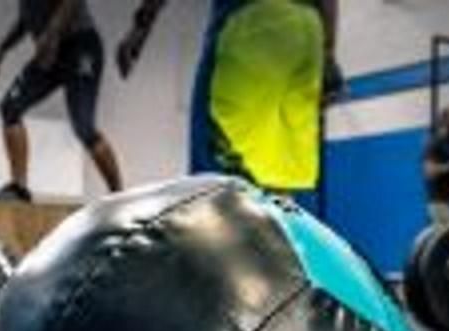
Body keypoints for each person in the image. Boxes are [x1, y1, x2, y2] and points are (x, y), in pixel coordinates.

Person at [117, 0, 339, 214]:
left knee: (215, 182)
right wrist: (328, 51)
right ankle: (273, 246)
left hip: (250, 22)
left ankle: (224, 247)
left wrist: (141, 26)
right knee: (277, 184)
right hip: (307, 31)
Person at [0, 0, 123, 202]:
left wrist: (52, 34)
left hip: (80, 44)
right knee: (10, 108)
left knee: (84, 126)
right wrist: (2, 49)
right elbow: (26, 19)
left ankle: (118, 195)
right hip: (52, 49)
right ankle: (19, 188)